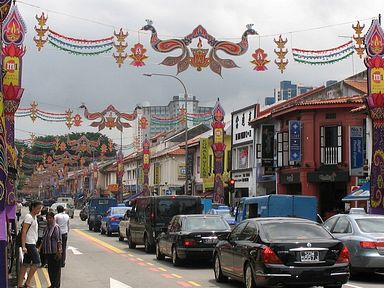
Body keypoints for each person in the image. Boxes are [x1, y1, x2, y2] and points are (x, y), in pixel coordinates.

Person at [18, 200, 43, 288]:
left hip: (32, 242)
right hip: (29, 243)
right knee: (37, 263)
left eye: (40, 208)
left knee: (26, 264)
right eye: (38, 208)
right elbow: (24, 232)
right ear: (33, 207)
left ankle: (19, 284)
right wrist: (24, 246)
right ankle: (27, 283)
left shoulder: (34, 217)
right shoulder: (29, 217)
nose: (39, 210)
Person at [41, 211, 62, 288]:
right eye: (47, 218)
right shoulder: (46, 227)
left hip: (55, 252)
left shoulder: (56, 227)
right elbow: (44, 239)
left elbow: (59, 240)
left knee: (56, 271)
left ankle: (56, 285)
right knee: (50, 270)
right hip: (48, 252)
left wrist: (59, 251)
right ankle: (52, 284)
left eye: (50, 218)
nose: (49, 219)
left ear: (53, 218)